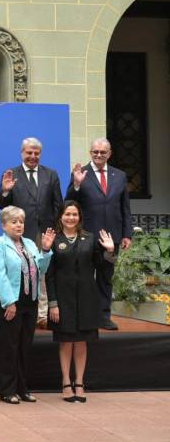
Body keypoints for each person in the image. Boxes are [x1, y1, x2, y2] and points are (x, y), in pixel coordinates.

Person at [47, 201, 115, 403]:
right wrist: (53, 303)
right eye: (67, 214)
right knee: (66, 341)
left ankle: (79, 382)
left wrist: (109, 252)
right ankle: (66, 382)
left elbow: (102, 267)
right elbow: (49, 275)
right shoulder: (54, 240)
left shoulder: (90, 238)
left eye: (74, 214)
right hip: (63, 299)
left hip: (86, 298)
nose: (71, 218)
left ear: (80, 217)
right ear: (61, 216)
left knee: (81, 341)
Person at [0, 206, 55, 404]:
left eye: (21, 221)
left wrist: (46, 250)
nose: (19, 225)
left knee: (25, 346)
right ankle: (7, 390)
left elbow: (40, 270)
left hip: (30, 301)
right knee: (9, 346)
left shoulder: (30, 244)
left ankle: (23, 388)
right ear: (4, 225)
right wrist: (9, 302)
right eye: (14, 221)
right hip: (5, 301)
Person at [65, 138, 132, 331]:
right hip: (86, 235)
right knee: (83, 278)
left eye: (103, 152)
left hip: (111, 238)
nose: (99, 155)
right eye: (95, 152)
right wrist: (76, 185)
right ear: (90, 152)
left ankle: (104, 317)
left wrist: (127, 234)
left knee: (105, 277)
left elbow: (124, 207)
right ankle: (83, 316)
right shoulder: (80, 173)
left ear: (109, 154)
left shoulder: (119, 176)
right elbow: (69, 203)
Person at [0, 137, 63, 327]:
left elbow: (58, 205)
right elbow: (2, 206)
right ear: (22, 153)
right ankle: (20, 310)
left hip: (44, 232)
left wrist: (55, 232)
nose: (33, 156)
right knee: (20, 272)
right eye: (29, 152)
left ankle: (41, 315)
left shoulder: (51, 174)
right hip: (20, 234)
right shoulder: (11, 174)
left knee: (42, 273)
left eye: (36, 153)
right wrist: (5, 191)